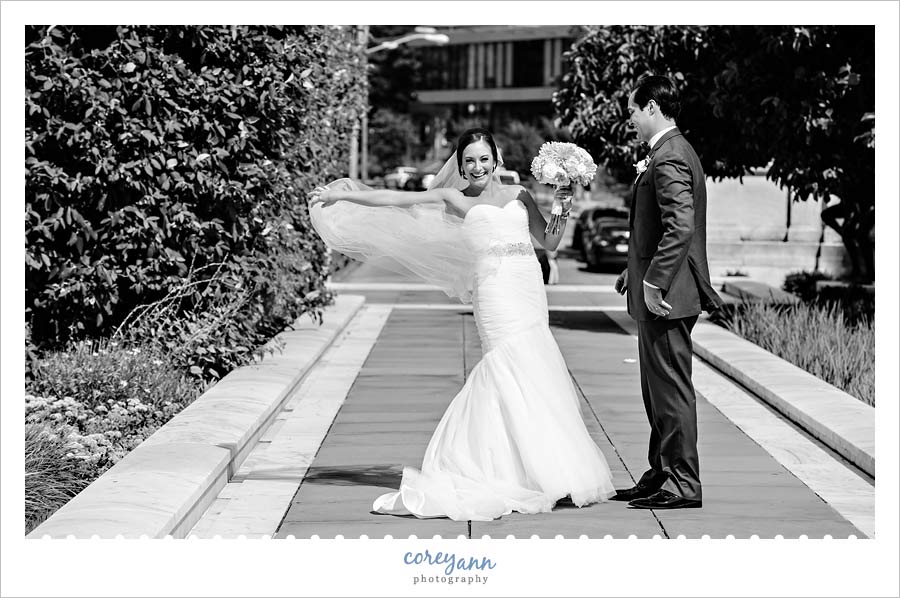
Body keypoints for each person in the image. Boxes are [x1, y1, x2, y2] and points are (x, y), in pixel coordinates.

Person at [308, 128, 615, 521]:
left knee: (537, 367)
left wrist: (562, 205)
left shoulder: (520, 196)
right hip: (494, 293)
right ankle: (492, 466)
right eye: (469, 160)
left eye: (483, 159)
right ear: (460, 164)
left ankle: (546, 469)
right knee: (505, 367)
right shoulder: (453, 197)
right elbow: (395, 199)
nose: (476, 167)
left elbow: (549, 242)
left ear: (496, 160)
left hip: (528, 289)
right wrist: (342, 194)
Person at [613, 76, 724, 510]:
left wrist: (654, 280)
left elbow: (680, 226)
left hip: (667, 296)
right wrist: (634, 268)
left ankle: (683, 484)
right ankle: (661, 472)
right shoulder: (669, 152)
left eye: (634, 111)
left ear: (653, 107)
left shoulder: (669, 157)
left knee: (671, 392)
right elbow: (659, 227)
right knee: (655, 391)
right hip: (659, 289)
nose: (631, 119)